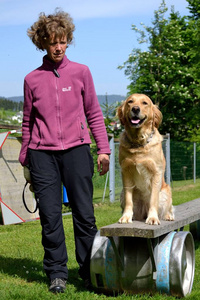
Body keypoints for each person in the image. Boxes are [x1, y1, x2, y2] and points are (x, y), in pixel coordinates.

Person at [19, 9, 110, 294]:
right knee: (50, 216)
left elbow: (94, 113)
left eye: (62, 41)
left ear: (68, 40)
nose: (57, 47)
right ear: (42, 44)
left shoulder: (82, 72)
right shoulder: (31, 79)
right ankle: (57, 273)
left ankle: (88, 271)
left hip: (77, 151)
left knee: (85, 215)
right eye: (51, 42)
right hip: (41, 155)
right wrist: (25, 159)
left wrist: (103, 149)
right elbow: (27, 121)